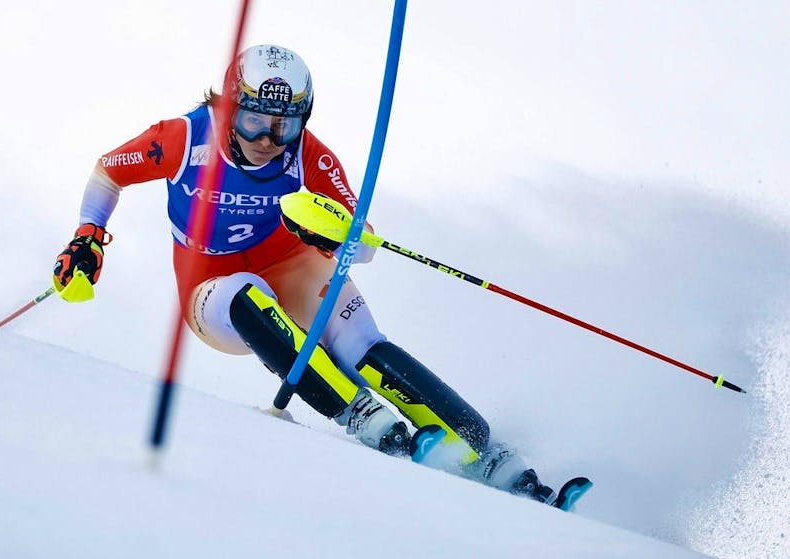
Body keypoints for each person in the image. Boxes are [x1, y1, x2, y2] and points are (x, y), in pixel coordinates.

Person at [53, 44, 568, 506]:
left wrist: (338, 234)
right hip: (212, 287)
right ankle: (362, 416)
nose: (268, 139)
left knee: (357, 338)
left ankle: (491, 455)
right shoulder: (183, 138)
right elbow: (109, 170)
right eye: (254, 120)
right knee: (245, 294)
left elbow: (363, 240)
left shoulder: (309, 156)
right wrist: (88, 234)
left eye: (285, 125)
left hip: (290, 264)